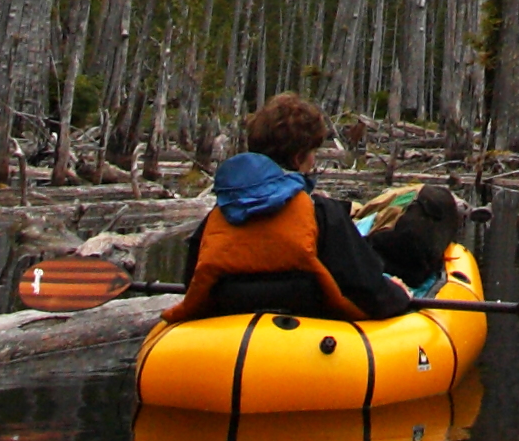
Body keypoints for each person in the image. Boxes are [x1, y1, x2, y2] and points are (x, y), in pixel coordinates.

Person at [163, 94, 412, 323]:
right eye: (313, 153)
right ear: (298, 157)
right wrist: (398, 294)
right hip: (309, 339)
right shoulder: (321, 214)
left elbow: (192, 282)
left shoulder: (219, 215)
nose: (313, 161)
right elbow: (367, 291)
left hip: (226, 335)